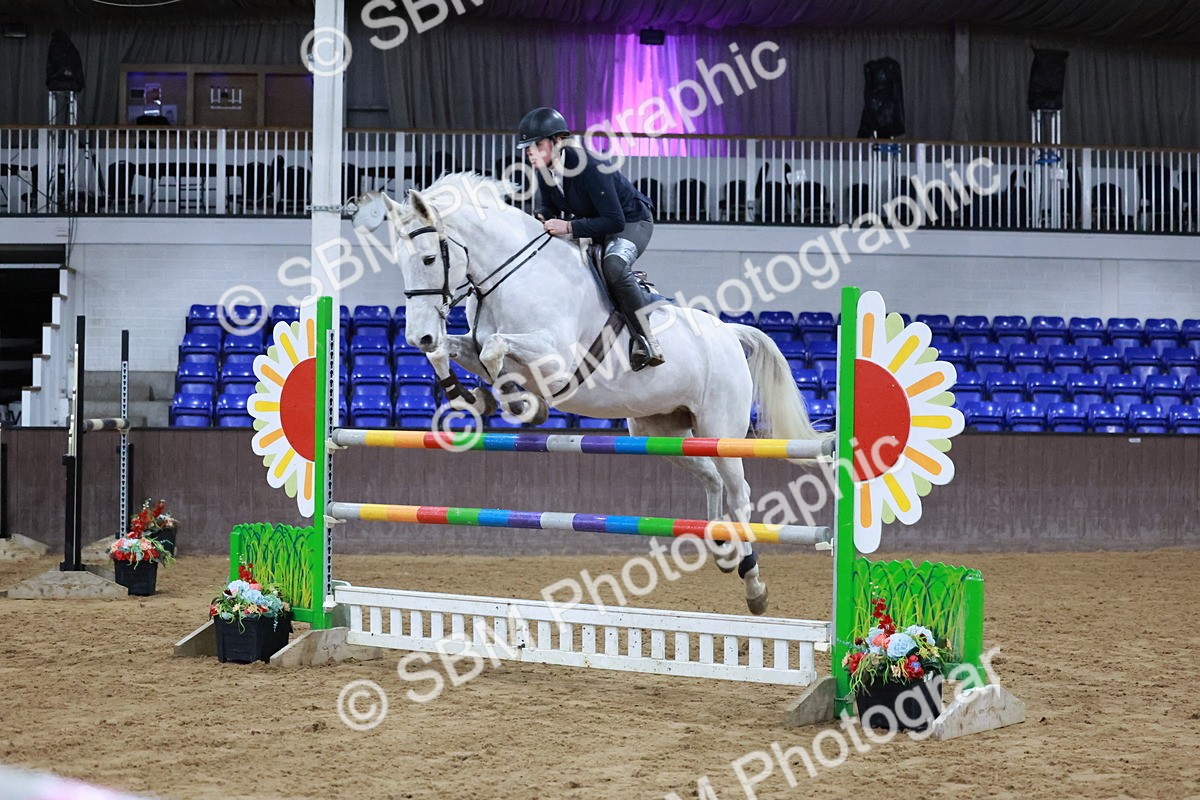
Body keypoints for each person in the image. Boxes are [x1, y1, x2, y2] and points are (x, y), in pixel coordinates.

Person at [516, 106, 664, 370]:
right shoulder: (544, 168)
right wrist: (540, 219)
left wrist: (569, 227)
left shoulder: (590, 168)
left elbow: (614, 220)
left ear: (557, 141)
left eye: (536, 144)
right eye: (527, 146)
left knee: (614, 266)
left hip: (631, 221)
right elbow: (548, 207)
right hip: (597, 224)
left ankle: (647, 339)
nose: (530, 151)